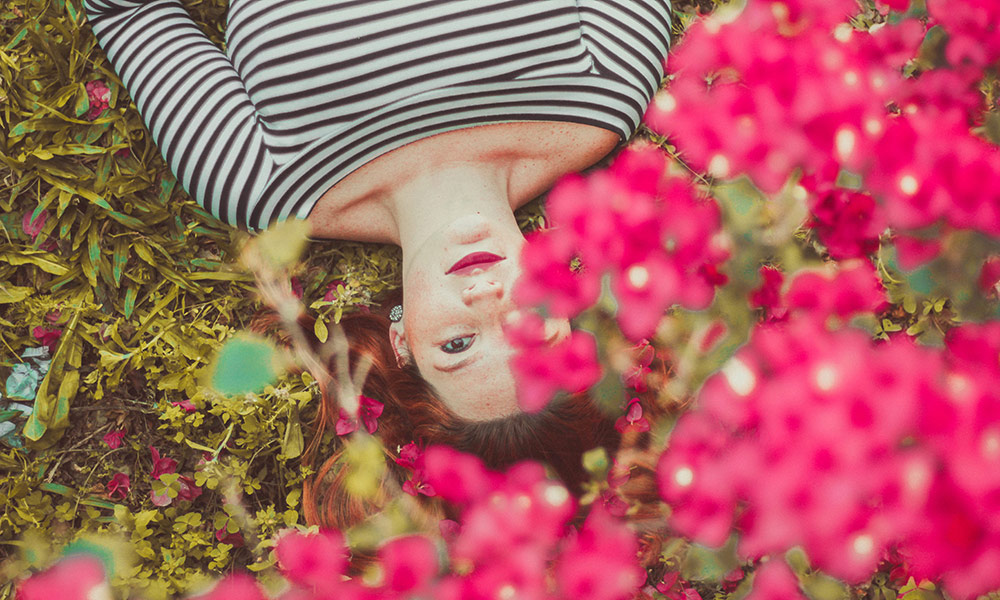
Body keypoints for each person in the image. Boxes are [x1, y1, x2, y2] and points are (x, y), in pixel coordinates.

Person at [85, 0, 672, 529]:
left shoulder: (258, 183)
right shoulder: (605, 89)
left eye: (459, 345)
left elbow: (126, 13)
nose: (489, 298)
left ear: (401, 342)